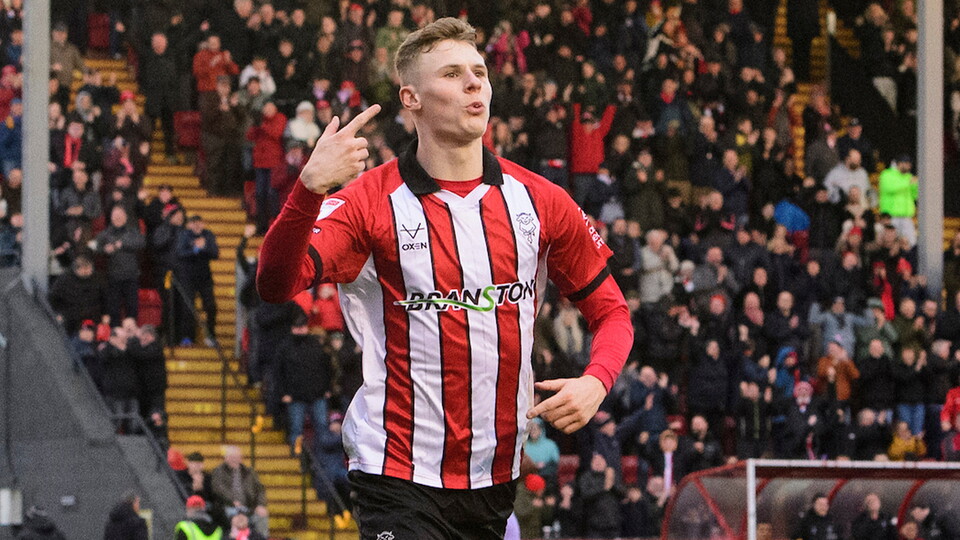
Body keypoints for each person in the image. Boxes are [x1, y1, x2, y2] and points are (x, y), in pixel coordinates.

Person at [255, 17, 632, 538]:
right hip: (396, 471)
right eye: (453, 74)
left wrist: (597, 380)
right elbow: (274, 285)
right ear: (411, 98)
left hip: (494, 475)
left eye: (479, 71)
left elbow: (612, 312)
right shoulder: (368, 202)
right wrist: (308, 189)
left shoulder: (540, 201)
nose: (475, 82)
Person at [175, 215, 219, 346]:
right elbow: (180, 253)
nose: (197, 226)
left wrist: (204, 248)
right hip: (188, 278)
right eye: (194, 223)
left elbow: (215, 253)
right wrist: (195, 250)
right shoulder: (184, 235)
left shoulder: (208, 235)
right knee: (188, 308)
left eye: (199, 223)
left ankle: (211, 335)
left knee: (211, 306)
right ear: (190, 225)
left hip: (205, 278)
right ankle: (188, 337)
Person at [210, 446, 269, 538]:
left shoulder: (249, 472)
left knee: (261, 514)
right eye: (232, 457)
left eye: (237, 457)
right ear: (226, 458)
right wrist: (232, 501)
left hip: (248, 507)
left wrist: (260, 504)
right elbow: (218, 489)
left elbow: (260, 490)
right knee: (235, 517)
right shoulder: (218, 472)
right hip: (228, 507)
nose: (235, 459)